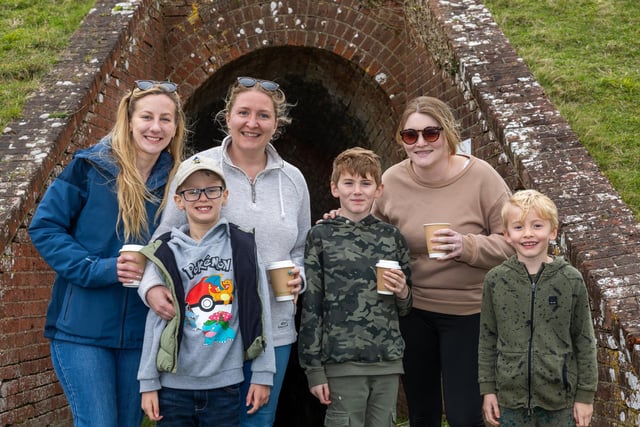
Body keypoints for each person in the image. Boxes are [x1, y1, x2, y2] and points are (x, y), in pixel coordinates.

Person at [143, 76, 311, 426]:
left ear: (276, 123)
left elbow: (301, 247)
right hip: (211, 334)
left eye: (263, 115)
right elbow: (162, 241)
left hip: (274, 329)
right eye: (244, 113)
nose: (252, 123)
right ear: (228, 116)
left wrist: (300, 275)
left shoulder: (293, 180)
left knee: (258, 422)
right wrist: (151, 288)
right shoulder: (199, 170)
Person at [28, 79, 186, 427]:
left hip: (141, 333)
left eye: (165, 119)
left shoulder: (179, 181)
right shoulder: (89, 167)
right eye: (147, 117)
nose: (155, 127)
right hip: (82, 329)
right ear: (129, 120)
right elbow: (45, 228)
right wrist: (100, 269)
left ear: (176, 127)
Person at [371, 96, 514, 427]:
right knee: (422, 413)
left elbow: (513, 242)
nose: (420, 143)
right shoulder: (391, 181)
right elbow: (372, 235)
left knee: (465, 415)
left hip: (469, 312)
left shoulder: (481, 176)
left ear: (447, 134)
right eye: (410, 135)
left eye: (430, 133)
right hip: (412, 311)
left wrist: (466, 246)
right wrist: (341, 220)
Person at [137, 156, 276, 425]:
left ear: (224, 196)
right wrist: (148, 382)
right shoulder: (166, 252)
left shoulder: (243, 247)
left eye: (211, 189)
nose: (203, 197)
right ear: (179, 201)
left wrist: (263, 373)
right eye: (192, 191)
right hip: (173, 387)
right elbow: (156, 320)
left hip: (225, 386)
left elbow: (261, 309)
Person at [299, 147, 412, 427]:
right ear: (335, 188)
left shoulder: (392, 237)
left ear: (379, 189)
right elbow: (311, 305)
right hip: (340, 361)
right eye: (349, 183)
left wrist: (403, 292)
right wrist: (313, 368)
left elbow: (406, 305)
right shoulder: (320, 236)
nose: (357, 191)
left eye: (365, 183)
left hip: (386, 359)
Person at [478, 189, 597, 427]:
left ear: (552, 231)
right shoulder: (495, 280)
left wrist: (585, 396)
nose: (528, 234)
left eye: (537, 226)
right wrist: (488, 389)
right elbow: (487, 338)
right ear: (507, 234)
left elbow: (584, 339)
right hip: (509, 401)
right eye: (519, 227)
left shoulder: (570, 279)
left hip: (560, 402)